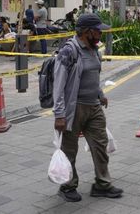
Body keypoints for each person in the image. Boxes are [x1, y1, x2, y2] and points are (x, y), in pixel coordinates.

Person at [53, 13, 123, 202]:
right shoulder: (69, 51)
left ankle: (102, 184)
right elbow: (59, 86)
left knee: (100, 145)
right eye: (98, 31)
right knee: (70, 150)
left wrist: (100, 94)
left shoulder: (94, 50)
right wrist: (59, 114)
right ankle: (67, 185)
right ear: (87, 32)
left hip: (93, 106)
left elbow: (92, 76)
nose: (101, 34)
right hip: (73, 109)